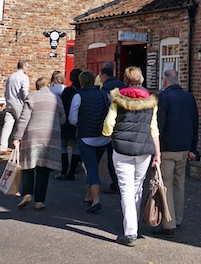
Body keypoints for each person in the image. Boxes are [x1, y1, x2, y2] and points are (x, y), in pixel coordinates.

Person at [102, 66, 160, 247]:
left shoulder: (118, 98)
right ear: (141, 79)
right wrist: (157, 153)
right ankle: (134, 226)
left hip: (122, 148)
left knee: (126, 189)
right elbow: (154, 129)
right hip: (144, 149)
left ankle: (130, 232)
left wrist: (110, 135)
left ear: (126, 80)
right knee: (137, 187)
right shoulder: (151, 101)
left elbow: (108, 124)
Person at [154, 68, 199, 237]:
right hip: (184, 148)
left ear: (165, 80)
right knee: (180, 184)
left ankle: (168, 222)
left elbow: (159, 125)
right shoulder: (189, 97)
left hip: (167, 147)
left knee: (166, 185)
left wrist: (156, 150)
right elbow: (195, 123)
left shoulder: (163, 97)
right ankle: (178, 218)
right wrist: (193, 148)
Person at [12, 76, 66, 210]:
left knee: (28, 167)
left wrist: (17, 137)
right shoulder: (56, 98)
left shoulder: (32, 97)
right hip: (50, 137)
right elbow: (63, 118)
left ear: (37, 86)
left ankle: (27, 194)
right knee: (44, 169)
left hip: (32, 136)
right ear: (48, 86)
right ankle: (39, 201)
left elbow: (24, 118)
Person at [68, 70, 111, 213]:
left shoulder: (78, 96)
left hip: (86, 137)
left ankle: (96, 200)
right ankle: (88, 196)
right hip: (103, 137)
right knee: (93, 165)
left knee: (91, 168)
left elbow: (73, 119)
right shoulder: (105, 94)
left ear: (81, 82)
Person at [98, 62, 126, 194]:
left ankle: (115, 185)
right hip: (125, 123)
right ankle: (122, 183)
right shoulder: (123, 85)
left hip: (112, 126)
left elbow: (105, 107)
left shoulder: (105, 89)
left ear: (104, 76)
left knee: (111, 158)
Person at [0, 60, 30, 154]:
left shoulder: (11, 76)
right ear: (23, 66)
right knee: (23, 126)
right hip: (18, 104)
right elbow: (24, 91)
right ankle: (22, 147)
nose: (28, 68)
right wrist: (27, 101)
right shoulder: (24, 77)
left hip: (9, 103)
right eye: (27, 66)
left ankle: (2, 148)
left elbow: (6, 90)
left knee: (7, 126)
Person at [55, 68, 82, 180]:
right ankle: (72, 172)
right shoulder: (82, 90)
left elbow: (62, 106)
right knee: (76, 147)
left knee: (63, 146)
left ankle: (64, 171)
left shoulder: (68, 90)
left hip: (66, 121)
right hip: (79, 122)